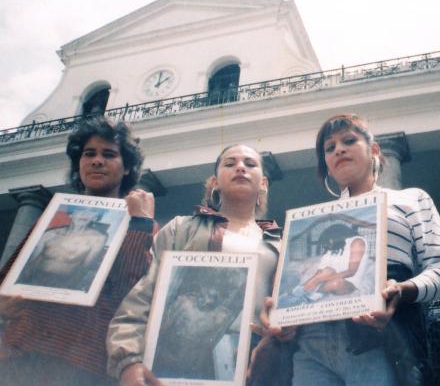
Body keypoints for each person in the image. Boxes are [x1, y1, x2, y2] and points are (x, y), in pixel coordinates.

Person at [263, 113, 440, 386]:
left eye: (349, 140)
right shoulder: (313, 221)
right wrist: (283, 308)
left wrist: (402, 290)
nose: (339, 149)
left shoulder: (410, 198)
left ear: (374, 150)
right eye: (329, 148)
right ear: (327, 166)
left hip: (381, 336)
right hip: (312, 344)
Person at [106, 144, 282, 386]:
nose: (240, 167)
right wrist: (128, 360)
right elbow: (145, 294)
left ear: (263, 183)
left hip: (258, 369)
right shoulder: (182, 228)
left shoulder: (279, 244)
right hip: (183, 365)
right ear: (215, 181)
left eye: (250, 164)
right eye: (230, 164)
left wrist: (282, 322)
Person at [0, 116, 156, 386]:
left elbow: (129, 294)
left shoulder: (142, 225)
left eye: (109, 154)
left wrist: (140, 225)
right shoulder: (50, 220)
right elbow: (8, 277)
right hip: (21, 353)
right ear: (78, 163)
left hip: (86, 361)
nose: (97, 161)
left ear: (127, 167)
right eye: (89, 154)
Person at [278, 222, 369, 308]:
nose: (328, 244)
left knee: (335, 283)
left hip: (349, 282)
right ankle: (300, 294)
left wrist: (320, 279)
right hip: (329, 278)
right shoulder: (333, 248)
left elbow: (351, 271)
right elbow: (321, 270)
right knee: (328, 270)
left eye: (329, 240)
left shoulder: (357, 241)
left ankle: (303, 297)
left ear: (337, 234)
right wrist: (316, 279)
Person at [17, 207, 109, 291]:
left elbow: (86, 267)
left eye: (93, 211)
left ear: (95, 217)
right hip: (34, 280)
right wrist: (22, 281)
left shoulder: (97, 238)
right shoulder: (49, 234)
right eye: (81, 210)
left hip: (63, 284)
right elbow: (32, 260)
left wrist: (69, 287)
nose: (85, 214)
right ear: (71, 213)